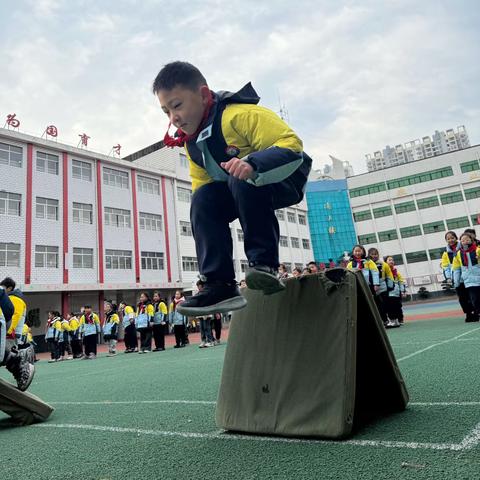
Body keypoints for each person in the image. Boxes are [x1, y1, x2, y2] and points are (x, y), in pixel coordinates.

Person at [152, 61, 312, 316]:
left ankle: (263, 265)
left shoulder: (239, 115)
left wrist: (253, 164)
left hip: (285, 175)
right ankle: (220, 285)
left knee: (239, 175)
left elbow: (293, 146)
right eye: (166, 111)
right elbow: (205, 188)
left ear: (204, 95)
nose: (174, 118)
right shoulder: (192, 145)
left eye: (177, 105)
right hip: (240, 186)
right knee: (202, 199)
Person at [0, 284, 34, 391]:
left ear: (9, 288)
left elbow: (14, 314)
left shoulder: (16, 299)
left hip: (7, 323)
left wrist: (8, 331)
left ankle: (17, 361)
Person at [442, 231, 476, 322]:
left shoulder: (463, 247)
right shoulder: (446, 253)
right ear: (446, 240)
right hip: (457, 279)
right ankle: (468, 314)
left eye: (452, 238)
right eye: (448, 239)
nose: (451, 240)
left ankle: (475, 312)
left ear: (456, 238)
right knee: (462, 298)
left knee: (472, 296)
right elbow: (445, 267)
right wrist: (449, 278)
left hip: (467, 277)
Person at [452, 232, 480, 321]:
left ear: (472, 240)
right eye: (463, 240)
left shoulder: (478, 250)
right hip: (469, 282)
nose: (465, 242)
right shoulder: (458, 254)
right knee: (475, 299)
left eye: (467, 240)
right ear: (460, 242)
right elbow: (456, 268)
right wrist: (456, 280)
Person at [367, 247, 393, 327]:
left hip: (383, 287)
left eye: (376, 254)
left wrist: (391, 285)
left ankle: (390, 319)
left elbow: (389, 275)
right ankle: (383, 320)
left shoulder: (383, 264)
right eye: (372, 254)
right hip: (372, 287)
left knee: (385, 304)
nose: (374, 256)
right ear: (369, 255)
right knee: (377, 306)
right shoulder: (366, 264)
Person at [1, 277, 27, 350]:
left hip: (12, 333)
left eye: (3, 288)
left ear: (9, 288)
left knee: (10, 352)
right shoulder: (10, 298)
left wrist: (8, 331)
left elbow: (16, 315)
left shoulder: (14, 299)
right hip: (11, 332)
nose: (2, 290)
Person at [384, 256, 406, 328]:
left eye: (392, 260)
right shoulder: (384, 271)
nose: (391, 261)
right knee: (390, 308)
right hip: (389, 293)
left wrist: (402, 291)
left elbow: (401, 282)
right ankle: (393, 320)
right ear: (385, 262)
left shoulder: (396, 272)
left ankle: (400, 319)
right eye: (389, 260)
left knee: (398, 307)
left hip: (397, 293)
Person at [195, 281, 215, 348]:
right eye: (198, 286)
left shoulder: (207, 293)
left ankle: (210, 341)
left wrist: (207, 313)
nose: (198, 288)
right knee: (202, 328)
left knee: (207, 327)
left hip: (207, 313)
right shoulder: (197, 294)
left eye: (199, 286)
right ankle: (203, 341)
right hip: (200, 314)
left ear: (203, 286)